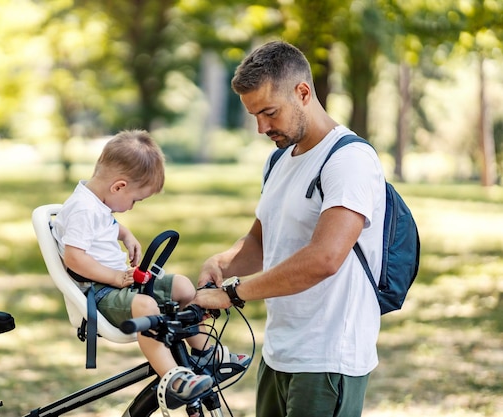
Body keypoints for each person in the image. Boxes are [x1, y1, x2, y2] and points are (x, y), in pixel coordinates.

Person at [193, 41, 386, 417]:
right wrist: (222, 264)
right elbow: (261, 240)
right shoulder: (279, 159)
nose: (262, 127)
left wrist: (233, 294)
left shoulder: (349, 160)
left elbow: (325, 258)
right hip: (280, 352)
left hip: (328, 359)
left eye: (269, 113)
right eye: (254, 116)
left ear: (303, 93)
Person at [51, 129, 249, 403]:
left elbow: (104, 225)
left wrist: (126, 235)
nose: (131, 207)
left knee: (181, 285)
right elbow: (74, 257)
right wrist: (116, 276)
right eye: (135, 200)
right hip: (101, 294)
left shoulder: (95, 203)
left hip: (121, 285)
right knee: (147, 306)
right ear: (119, 186)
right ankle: (173, 378)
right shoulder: (82, 209)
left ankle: (207, 353)